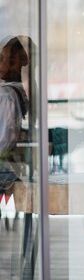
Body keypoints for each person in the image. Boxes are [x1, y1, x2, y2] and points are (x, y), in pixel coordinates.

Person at [0, 36, 31, 200]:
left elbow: (5, 139)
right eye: (1, 59)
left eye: (9, 60)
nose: (3, 65)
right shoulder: (14, 92)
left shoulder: (6, 95)